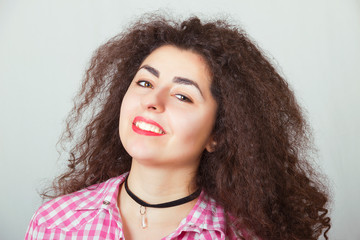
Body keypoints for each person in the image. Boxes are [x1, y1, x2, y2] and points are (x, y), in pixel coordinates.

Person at [25, 15, 331, 240]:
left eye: (182, 95)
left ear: (219, 134)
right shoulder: (54, 224)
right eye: (145, 82)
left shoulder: (245, 236)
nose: (152, 101)